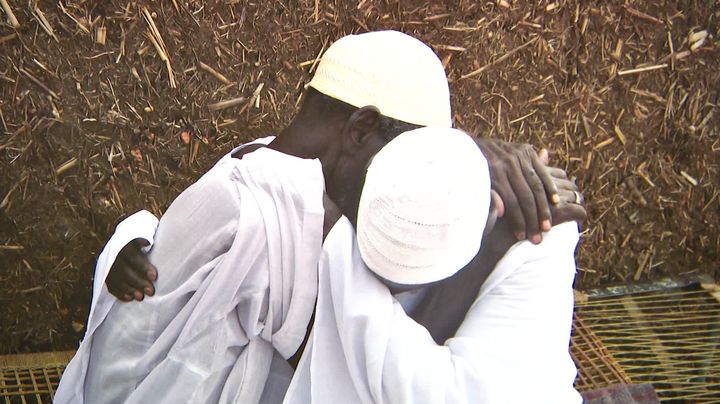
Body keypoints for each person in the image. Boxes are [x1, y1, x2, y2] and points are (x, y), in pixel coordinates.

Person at [56, 30, 579, 403]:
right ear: (360, 130)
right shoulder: (263, 214)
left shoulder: (268, 164)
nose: (403, 187)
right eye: (404, 165)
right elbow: (349, 356)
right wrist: (495, 232)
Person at [285, 127, 583, 403]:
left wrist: (335, 243)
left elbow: (377, 360)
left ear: (493, 213)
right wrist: (463, 157)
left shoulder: (540, 245)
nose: (387, 292)